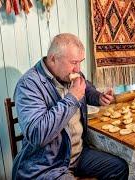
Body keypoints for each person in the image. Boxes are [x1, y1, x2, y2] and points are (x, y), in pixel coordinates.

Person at [12, 33, 129, 180]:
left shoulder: (69, 73)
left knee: (119, 168)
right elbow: (37, 134)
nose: (77, 69)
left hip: (77, 154)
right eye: (74, 62)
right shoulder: (28, 85)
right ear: (53, 59)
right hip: (46, 165)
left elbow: (86, 89)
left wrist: (99, 97)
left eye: (80, 62)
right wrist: (72, 98)